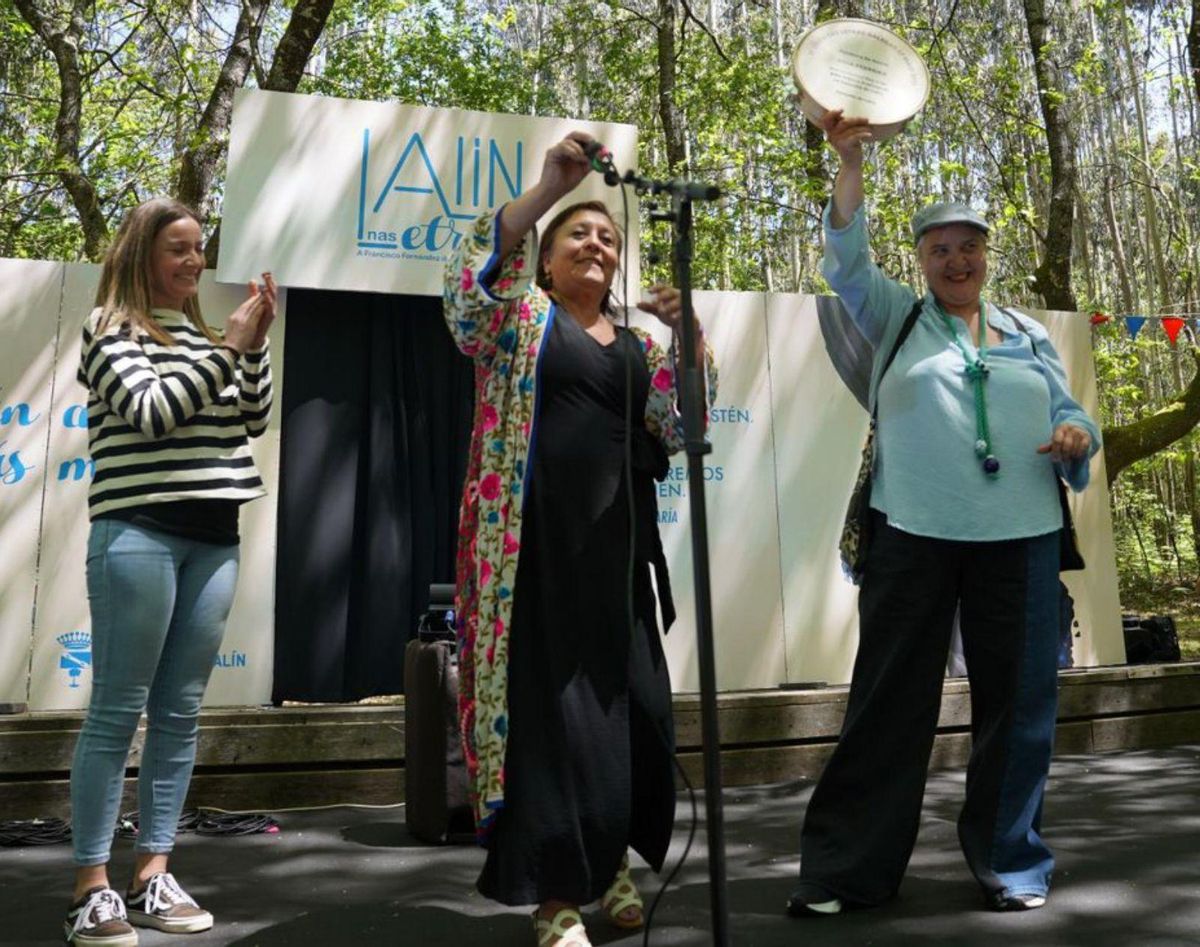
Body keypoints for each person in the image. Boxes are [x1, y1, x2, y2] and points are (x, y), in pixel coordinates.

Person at [787, 111, 1101, 917]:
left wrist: (1074, 435)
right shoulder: (895, 316)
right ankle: (847, 872)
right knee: (889, 704)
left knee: (1021, 705)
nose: (956, 260)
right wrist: (849, 162)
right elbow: (846, 258)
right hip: (912, 535)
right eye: (939, 249)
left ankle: (1011, 860)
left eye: (969, 247)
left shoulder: (1028, 333)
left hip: (1022, 539)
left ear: (985, 257)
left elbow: (1076, 420)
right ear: (922, 262)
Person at [442, 131, 716, 947]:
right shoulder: (519, 321)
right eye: (577, 234)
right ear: (547, 260)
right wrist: (547, 189)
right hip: (529, 562)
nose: (595, 243)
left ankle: (609, 863)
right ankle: (556, 893)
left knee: (631, 716)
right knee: (550, 723)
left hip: (617, 563)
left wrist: (694, 338)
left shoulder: (637, 346)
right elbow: (463, 299)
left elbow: (681, 427)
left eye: (607, 237)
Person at [64, 198, 276, 946]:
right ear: (141, 255)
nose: (193, 262)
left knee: (179, 714)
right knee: (117, 711)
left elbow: (249, 420)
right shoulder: (109, 329)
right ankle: (92, 886)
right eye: (177, 249)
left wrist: (253, 349)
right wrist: (228, 352)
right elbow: (152, 413)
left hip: (215, 537)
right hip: (138, 532)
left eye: (198, 251)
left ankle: (153, 872)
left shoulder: (208, 334)